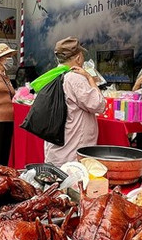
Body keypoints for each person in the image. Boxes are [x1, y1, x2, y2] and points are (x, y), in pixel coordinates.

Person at [44, 37, 106, 167]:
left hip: (57, 146)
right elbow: (98, 105)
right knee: (71, 183)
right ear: (78, 58)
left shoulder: (52, 75)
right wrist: (90, 79)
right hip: (72, 151)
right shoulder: (76, 77)